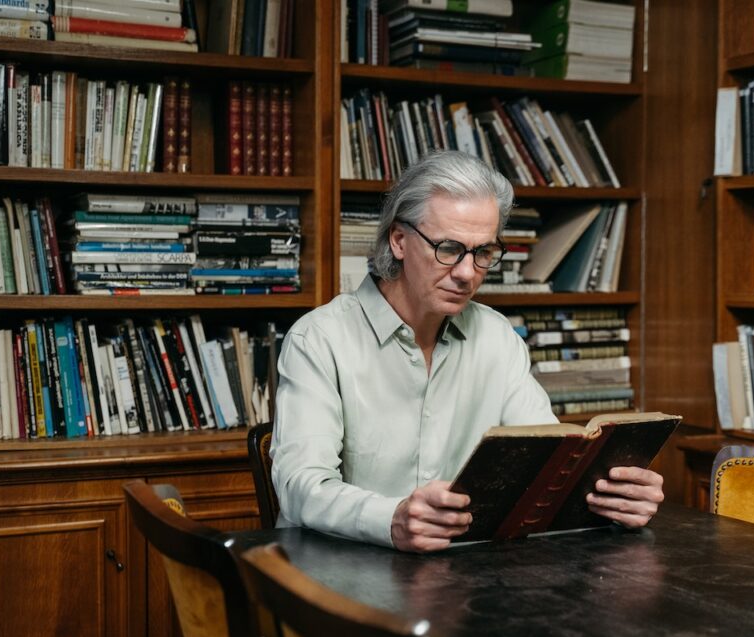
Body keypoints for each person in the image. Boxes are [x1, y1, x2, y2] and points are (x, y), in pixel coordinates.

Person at [270, 150, 664, 552]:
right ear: (399, 240)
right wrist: (392, 519)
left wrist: (615, 501)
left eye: (482, 253)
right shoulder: (319, 338)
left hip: (463, 578)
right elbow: (301, 486)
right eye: (448, 248)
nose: (465, 273)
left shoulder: (496, 337)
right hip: (336, 577)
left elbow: (548, 467)